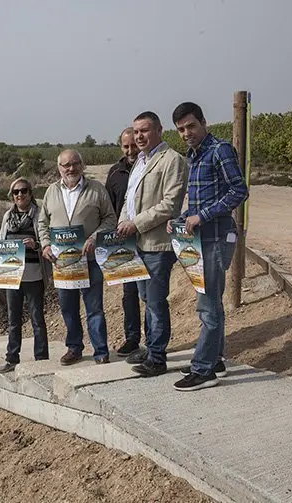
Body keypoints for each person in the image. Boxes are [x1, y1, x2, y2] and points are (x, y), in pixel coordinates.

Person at [169, 102, 249, 391]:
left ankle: (203, 371)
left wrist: (200, 216)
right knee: (212, 301)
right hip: (202, 238)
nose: (186, 133)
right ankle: (215, 359)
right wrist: (180, 220)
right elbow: (198, 202)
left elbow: (239, 191)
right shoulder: (193, 156)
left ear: (203, 122)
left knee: (207, 305)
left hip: (217, 236)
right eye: (180, 129)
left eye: (191, 126)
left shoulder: (220, 150)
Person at [116, 111, 187, 377]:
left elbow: (170, 204)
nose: (139, 136)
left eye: (144, 130)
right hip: (137, 244)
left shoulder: (172, 161)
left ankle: (157, 358)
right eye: (136, 132)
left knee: (156, 302)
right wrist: (124, 223)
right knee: (146, 299)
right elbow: (129, 200)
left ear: (159, 130)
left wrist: (135, 224)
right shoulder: (140, 162)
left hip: (158, 245)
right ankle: (150, 347)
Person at [38, 149, 117, 365]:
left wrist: (94, 238)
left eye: (74, 164)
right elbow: (42, 222)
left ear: (82, 165)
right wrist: (45, 245)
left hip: (89, 260)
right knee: (67, 308)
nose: (70, 168)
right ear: (59, 168)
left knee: (94, 308)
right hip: (62, 263)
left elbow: (110, 218)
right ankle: (74, 348)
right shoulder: (51, 191)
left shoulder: (97, 189)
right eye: (66, 165)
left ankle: (101, 351)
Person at [0, 177, 50, 373]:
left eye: (23, 190)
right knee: (13, 319)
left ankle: (42, 359)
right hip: (11, 275)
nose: (20, 195)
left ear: (30, 193)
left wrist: (37, 245)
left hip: (34, 276)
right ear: (12, 195)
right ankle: (11, 358)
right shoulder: (8, 216)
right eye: (16, 192)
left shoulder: (39, 215)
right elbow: (2, 239)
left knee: (37, 319)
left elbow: (47, 241)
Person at [105, 127, 147, 358]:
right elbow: (108, 208)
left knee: (149, 295)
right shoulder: (114, 173)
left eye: (134, 145)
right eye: (126, 146)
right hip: (124, 242)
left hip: (149, 239)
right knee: (128, 294)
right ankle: (132, 338)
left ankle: (154, 341)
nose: (131, 150)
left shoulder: (150, 166)